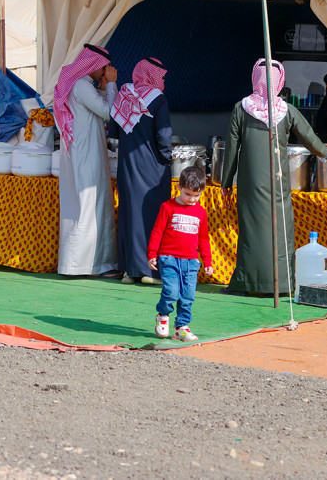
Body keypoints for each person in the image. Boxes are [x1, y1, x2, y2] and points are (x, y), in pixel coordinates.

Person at [219, 59, 327, 295]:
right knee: (279, 231)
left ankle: (246, 282)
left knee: (251, 231)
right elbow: (310, 139)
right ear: (279, 82)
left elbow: (231, 149)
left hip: (249, 184)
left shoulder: (241, 108)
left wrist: (226, 182)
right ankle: (281, 283)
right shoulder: (286, 110)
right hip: (278, 183)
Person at [53, 44, 119, 276]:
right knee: (90, 205)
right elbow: (108, 112)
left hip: (81, 152)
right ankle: (90, 265)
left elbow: (93, 107)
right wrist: (111, 85)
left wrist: (103, 87)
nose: (105, 72)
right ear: (92, 64)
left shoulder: (80, 85)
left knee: (84, 205)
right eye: (103, 68)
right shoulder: (81, 85)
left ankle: (88, 263)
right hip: (87, 154)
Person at [109, 57, 173, 284]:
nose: (163, 81)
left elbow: (113, 132)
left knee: (129, 214)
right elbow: (163, 135)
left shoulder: (124, 93)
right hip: (152, 168)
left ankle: (129, 271)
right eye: (161, 76)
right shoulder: (158, 99)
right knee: (151, 216)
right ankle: (149, 271)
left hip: (127, 165)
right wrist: (167, 159)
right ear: (152, 75)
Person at [147, 166, 212, 342]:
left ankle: (181, 327)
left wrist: (207, 262)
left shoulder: (201, 212)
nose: (192, 199)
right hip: (168, 258)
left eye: (197, 196)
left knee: (188, 295)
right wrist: (152, 253)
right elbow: (157, 231)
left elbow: (204, 239)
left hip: (191, 261)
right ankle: (163, 315)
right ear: (179, 188)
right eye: (188, 194)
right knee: (171, 291)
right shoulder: (167, 207)